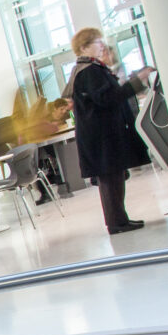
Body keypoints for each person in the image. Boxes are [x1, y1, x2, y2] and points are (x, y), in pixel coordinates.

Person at [65, 29, 152, 236]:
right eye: (97, 42)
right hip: (102, 137)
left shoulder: (90, 69)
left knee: (114, 177)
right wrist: (136, 83)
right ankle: (116, 222)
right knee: (110, 179)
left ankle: (120, 219)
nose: (102, 45)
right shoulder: (89, 71)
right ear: (84, 47)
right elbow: (107, 98)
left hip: (102, 135)